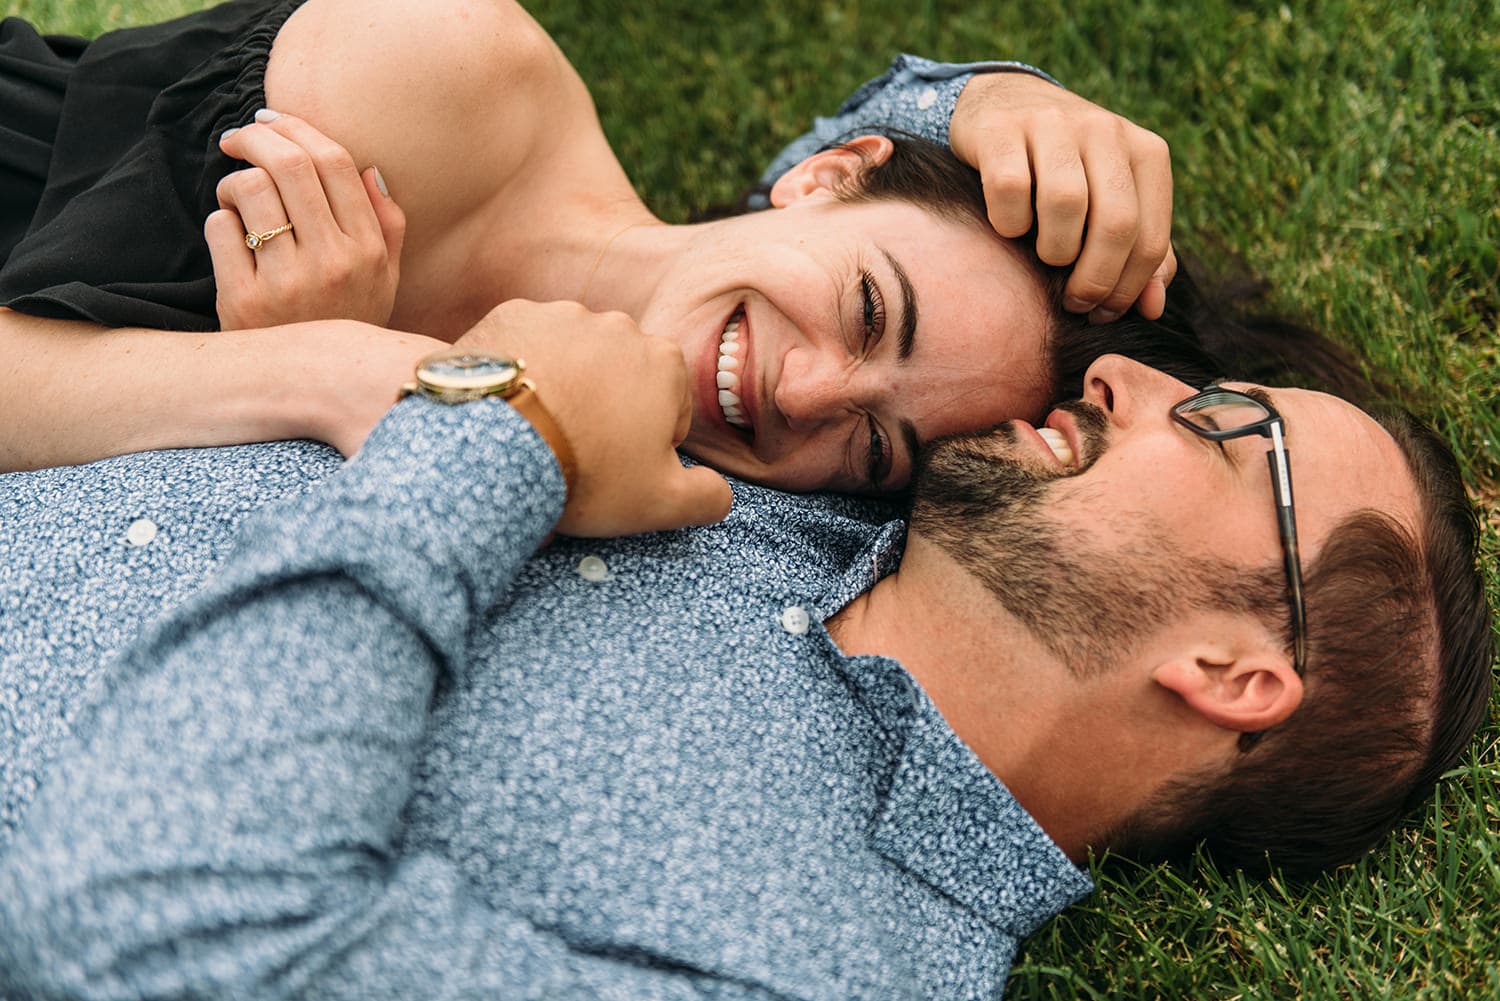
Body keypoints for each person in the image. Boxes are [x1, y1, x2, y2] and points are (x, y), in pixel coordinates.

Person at [0, 300, 1490, 998]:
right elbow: (775, 237)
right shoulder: (803, 482)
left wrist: (496, 436)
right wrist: (958, 102)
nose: (1127, 372)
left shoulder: (828, 970)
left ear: (1236, 672)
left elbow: (140, 926)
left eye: (1232, 427)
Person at [0, 0, 1179, 489]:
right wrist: (311, 371)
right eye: (871, 310)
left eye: (875, 446)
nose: (805, 390)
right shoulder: (439, 79)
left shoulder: (682, 499)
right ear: (821, 179)